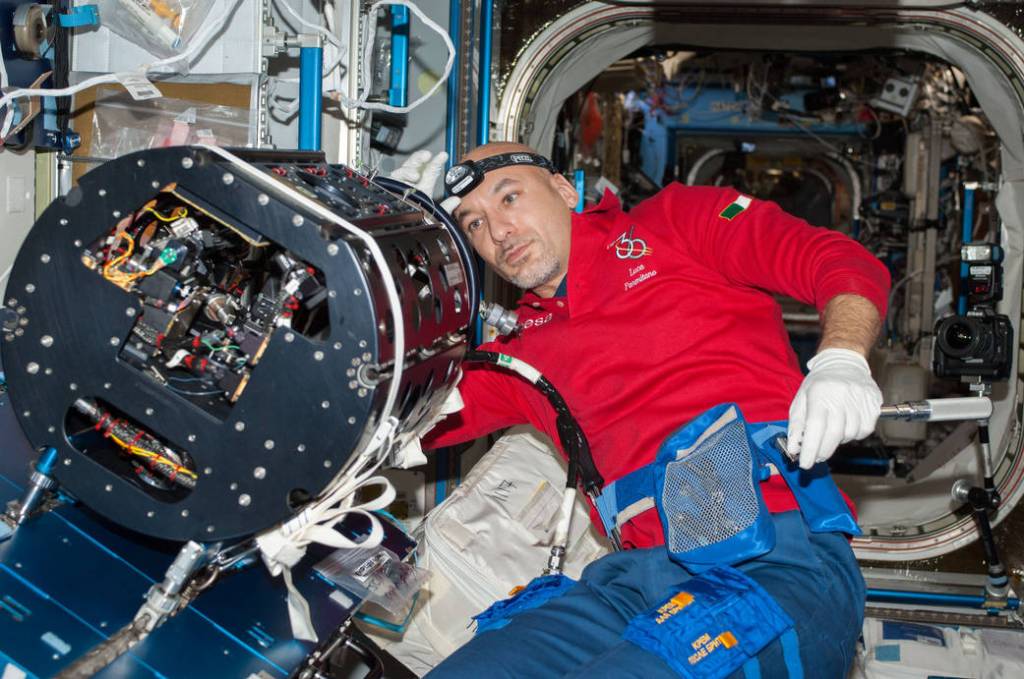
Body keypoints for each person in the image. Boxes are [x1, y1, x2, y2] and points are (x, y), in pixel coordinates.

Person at [405, 142, 890, 678]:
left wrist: (842, 358)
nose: (498, 231)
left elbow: (835, 259)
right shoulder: (519, 354)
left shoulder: (677, 223)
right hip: (629, 585)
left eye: (509, 198)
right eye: (473, 224)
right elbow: (395, 418)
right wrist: (392, 257)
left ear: (564, 189)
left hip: (774, 559)